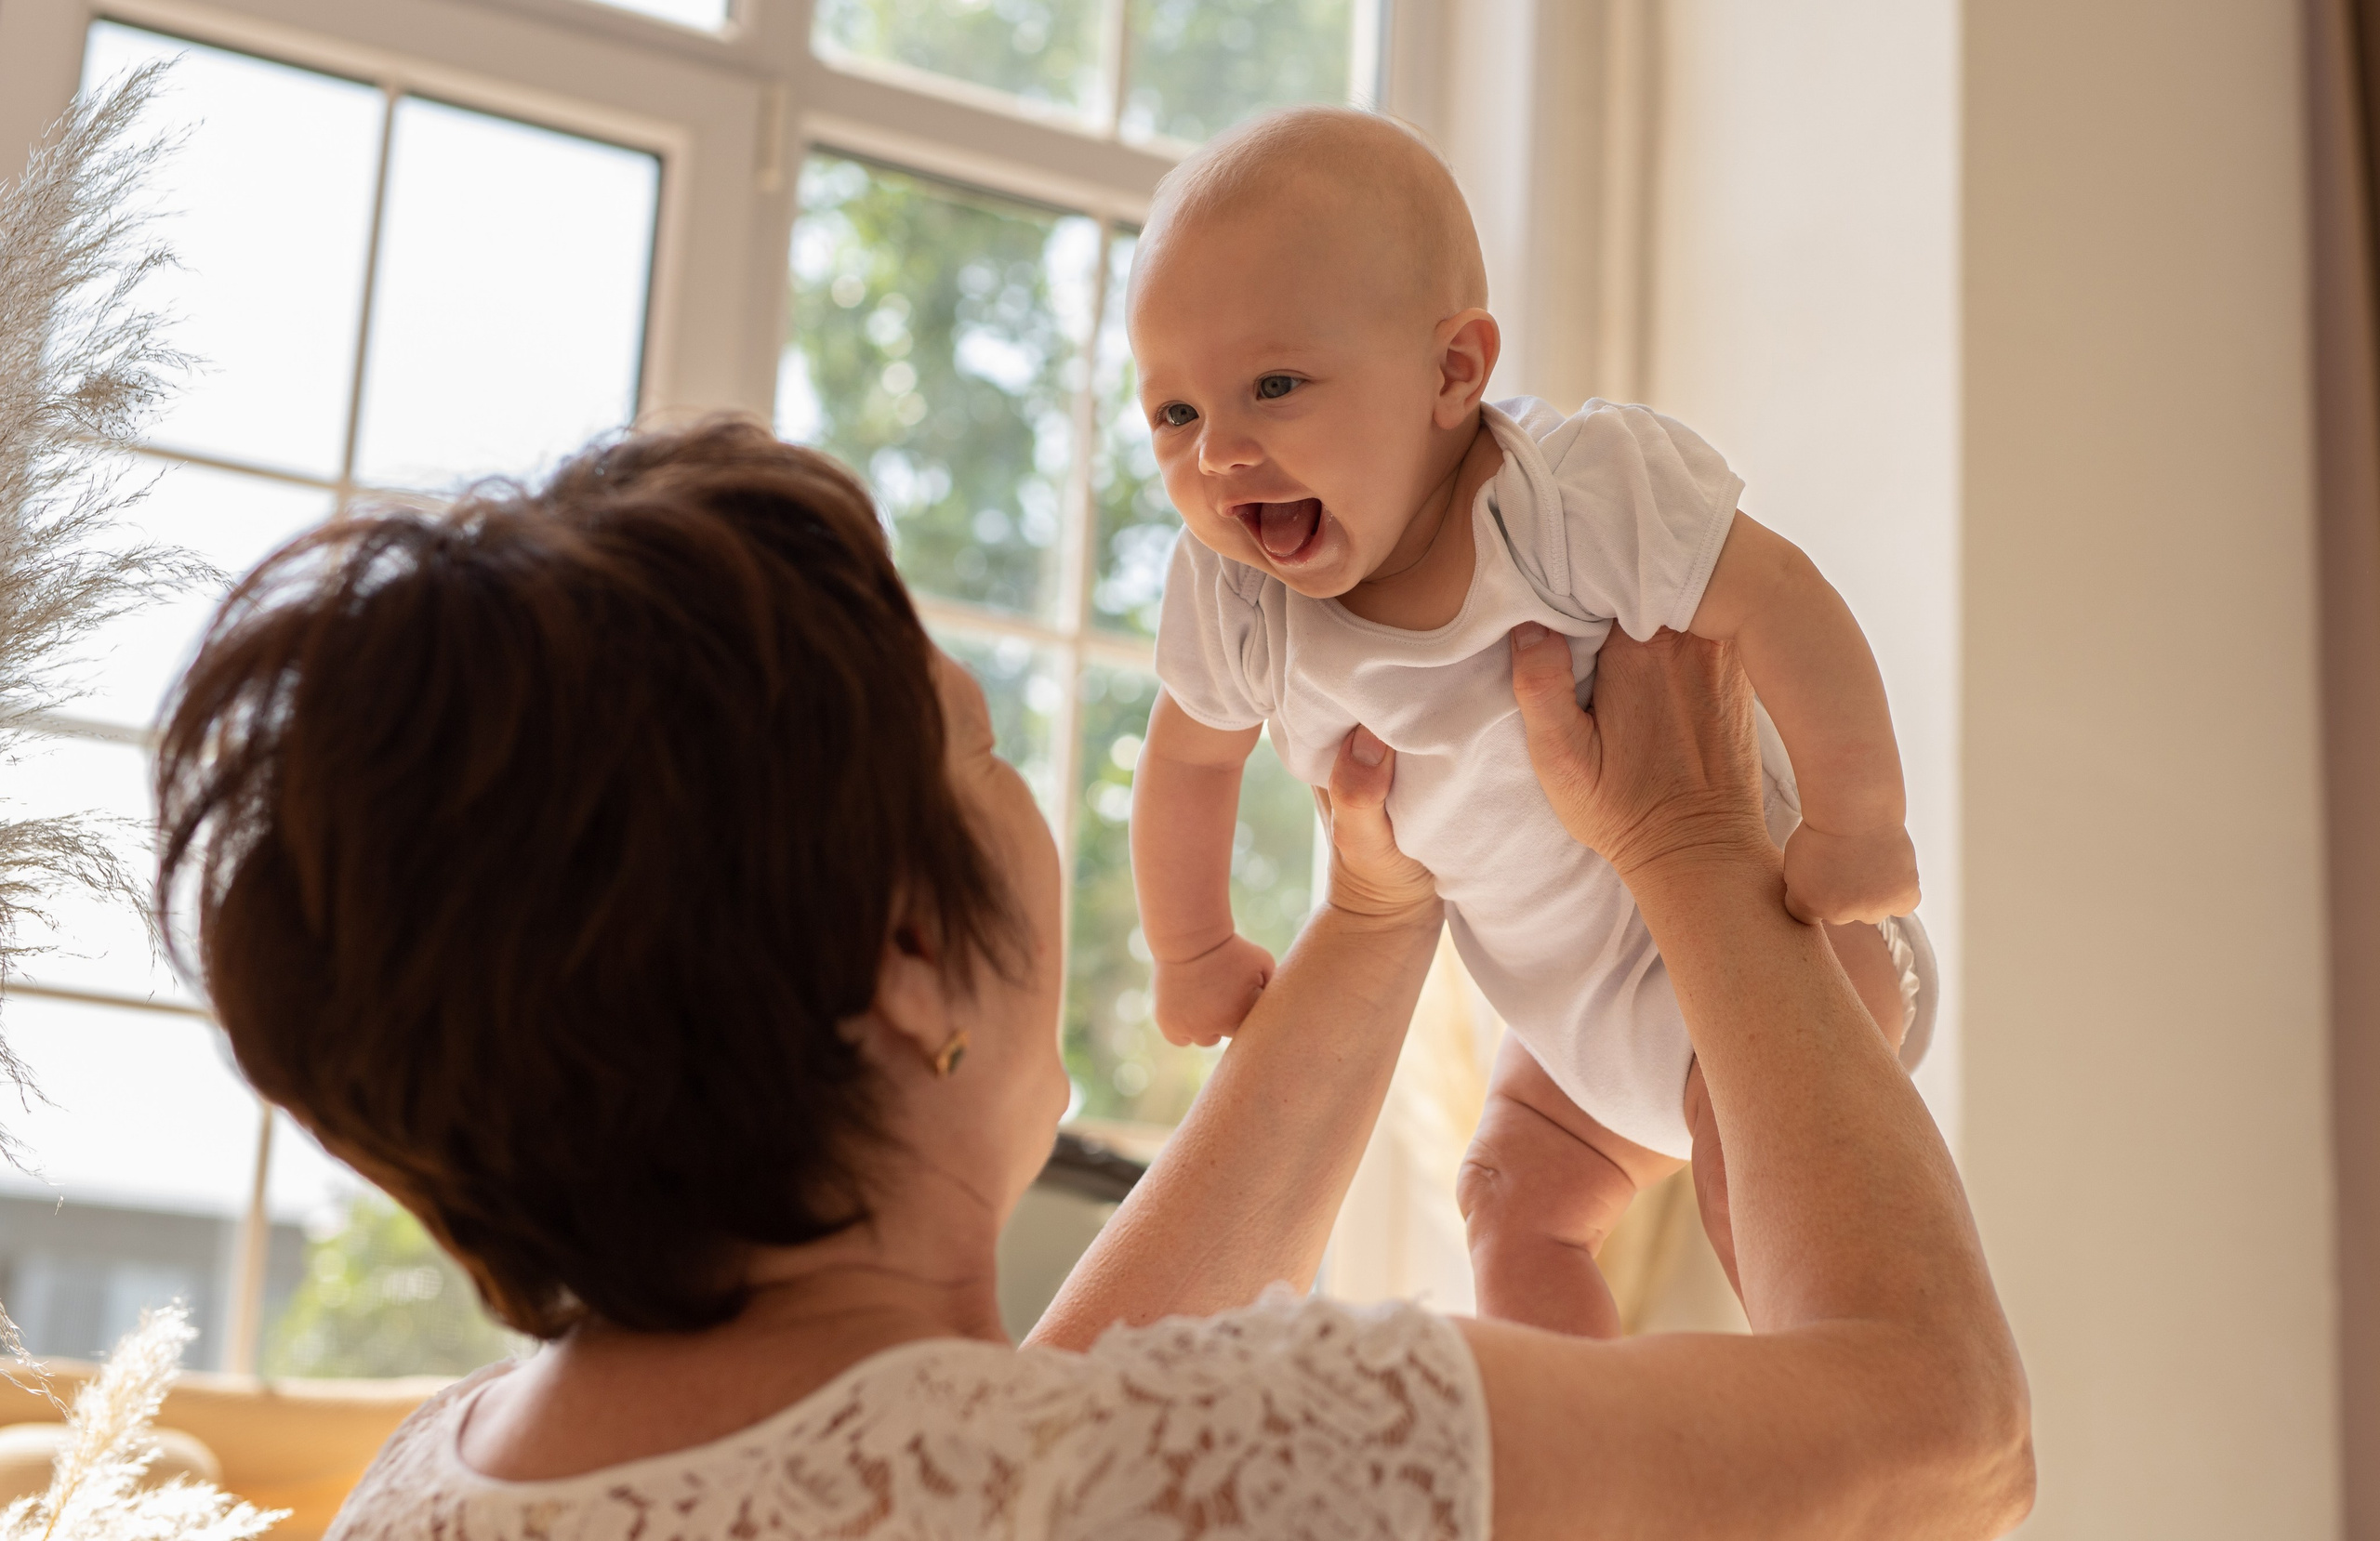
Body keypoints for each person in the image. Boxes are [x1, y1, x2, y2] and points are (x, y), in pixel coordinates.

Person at [155, 419, 2029, 1539]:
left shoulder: (426, 1490)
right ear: (905, 959)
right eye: (980, 750)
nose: (1028, 799)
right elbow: (1942, 1441)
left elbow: (1013, 1424)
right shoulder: (1192, 1473)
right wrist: (1694, 852)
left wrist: (1377, 907)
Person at [1126, 104, 1932, 1333]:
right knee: (1505, 1197)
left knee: (1752, 1172)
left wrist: (1858, 819)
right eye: (1174, 415)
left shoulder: (1567, 501)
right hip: (1573, 1036)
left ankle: (1808, 1390)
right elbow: (1187, 762)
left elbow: (1780, 597)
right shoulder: (1239, 604)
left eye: (1274, 386)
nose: (1219, 453)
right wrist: (1189, 948)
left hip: (1780, 945)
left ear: (1454, 371)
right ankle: (1584, 1425)